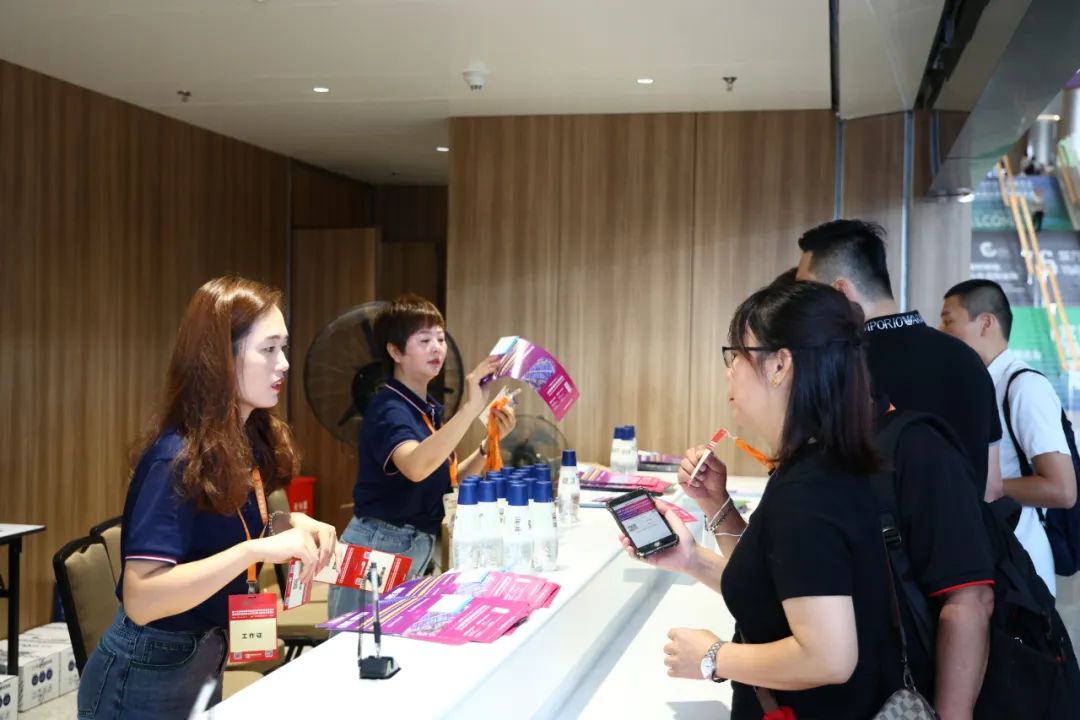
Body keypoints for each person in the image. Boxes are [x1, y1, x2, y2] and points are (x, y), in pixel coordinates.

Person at [624, 281, 900, 719]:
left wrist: (713, 657)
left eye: (736, 355)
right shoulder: (813, 467)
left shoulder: (808, 491)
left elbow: (829, 657)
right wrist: (703, 534)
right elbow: (777, 590)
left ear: (779, 365)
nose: (728, 371)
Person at [77, 276, 338, 719]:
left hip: (203, 654)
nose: (284, 364)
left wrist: (289, 524)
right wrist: (254, 551)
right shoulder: (174, 457)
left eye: (284, 347)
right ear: (221, 358)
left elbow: (225, 529)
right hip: (146, 668)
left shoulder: (243, 438)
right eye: (269, 349)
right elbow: (142, 598)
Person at [328, 294, 516, 619]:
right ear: (395, 352)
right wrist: (470, 409)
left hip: (410, 547)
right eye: (424, 340)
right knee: (358, 645)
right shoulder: (388, 408)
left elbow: (446, 480)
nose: (437, 348)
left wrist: (488, 445)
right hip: (376, 548)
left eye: (441, 339)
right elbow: (416, 467)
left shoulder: (424, 409)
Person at [795, 218, 1004, 502]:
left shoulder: (840, 367)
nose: (802, 306)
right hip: (969, 529)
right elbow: (992, 488)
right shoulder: (967, 359)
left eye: (807, 293)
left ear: (841, 291)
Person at [940, 279, 1076, 595]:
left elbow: (1062, 489)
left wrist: (979, 488)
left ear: (986, 323)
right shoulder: (979, 385)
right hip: (987, 557)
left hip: (1021, 568)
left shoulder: (1025, 387)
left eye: (948, 320)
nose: (940, 331)